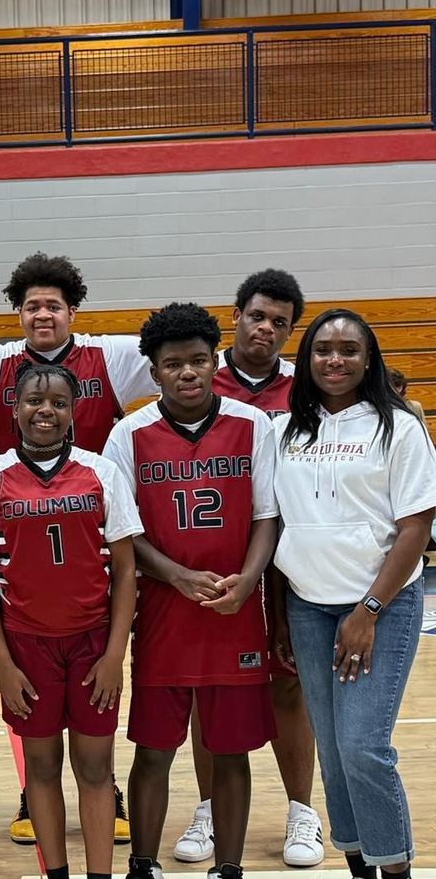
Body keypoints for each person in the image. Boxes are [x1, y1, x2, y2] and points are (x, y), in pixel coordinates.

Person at [0, 252, 155, 844]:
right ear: (18, 312)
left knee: (93, 723)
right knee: (38, 716)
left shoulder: (106, 355)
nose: (42, 314)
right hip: (23, 524)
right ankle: (33, 792)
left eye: (53, 306)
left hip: (92, 521)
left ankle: (103, 790)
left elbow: (180, 356)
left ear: (72, 312)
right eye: (32, 305)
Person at [103, 302, 279, 879]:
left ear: (214, 362)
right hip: (161, 614)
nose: (188, 373)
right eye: (173, 364)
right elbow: (121, 534)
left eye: (199, 361)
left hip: (235, 612)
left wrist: (249, 580)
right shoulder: (127, 435)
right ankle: (143, 864)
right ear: (152, 371)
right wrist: (175, 575)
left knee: (230, 751)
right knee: (154, 749)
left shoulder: (253, 426)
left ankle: (228, 866)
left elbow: (266, 517)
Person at [272, 309, 436, 879]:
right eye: (322, 350)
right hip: (308, 607)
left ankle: (395, 870)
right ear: (306, 359)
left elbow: (416, 525)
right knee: (336, 755)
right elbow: (273, 525)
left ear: (369, 360)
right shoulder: (283, 429)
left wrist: (367, 610)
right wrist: (276, 619)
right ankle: (359, 867)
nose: (334, 360)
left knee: (364, 745)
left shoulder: (398, 426)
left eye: (348, 350)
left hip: (381, 605)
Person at [0, 361, 142, 879]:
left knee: (94, 769)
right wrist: (3, 664)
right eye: (34, 402)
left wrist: (114, 655)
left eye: (59, 403)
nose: (46, 411)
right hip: (26, 646)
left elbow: (126, 570)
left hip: (91, 645)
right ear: (14, 409)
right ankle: (56, 873)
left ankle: (101, 874)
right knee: (40, 769)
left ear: (74, 409)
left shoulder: (101, 472)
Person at [174, 269, 323, 868]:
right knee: (205, 689)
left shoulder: (304, 389)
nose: (266, 329)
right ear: (235, 314)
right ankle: (209, 809)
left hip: (288, 560)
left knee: (290, 684)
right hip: (213, 561)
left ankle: (302, 814)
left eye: (280, 323)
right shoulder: (198, 377)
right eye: (257, 315)